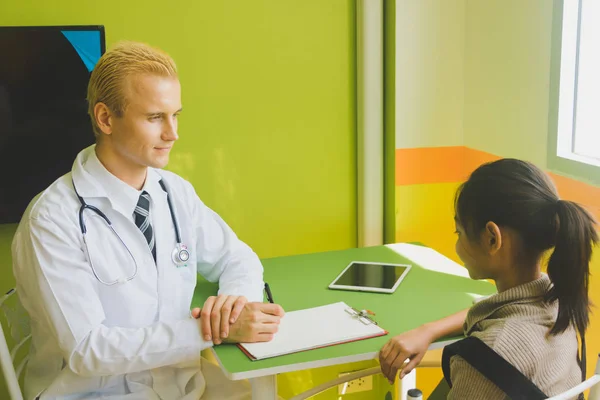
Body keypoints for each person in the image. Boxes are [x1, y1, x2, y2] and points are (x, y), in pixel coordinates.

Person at [11, 41, 284, 400]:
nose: (173, 134)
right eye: (155, 118)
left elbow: (238, 257)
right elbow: (87, 350)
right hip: (96, 394)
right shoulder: (51, 220)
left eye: (176, 115)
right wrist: (211, 330)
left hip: (182, 385)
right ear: (105, 118)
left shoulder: (174, 192)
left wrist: (234, 306)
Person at [379, 159, 597, 398]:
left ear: (493, 238)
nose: (457, 246)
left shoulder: (490, 357)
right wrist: (428, 330)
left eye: (459, 232)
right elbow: (497, 311)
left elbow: (501, 338)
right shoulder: (559, 298)